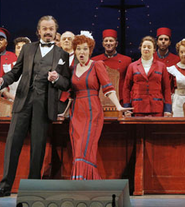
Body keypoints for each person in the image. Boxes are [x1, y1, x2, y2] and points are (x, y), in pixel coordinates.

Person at [0, 15, 71, 198]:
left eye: (51, 28)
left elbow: (67, 83)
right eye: (45, 28)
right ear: (38, 31)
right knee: (12, 145)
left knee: (38, 148)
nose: (48, 32)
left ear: (55, 31)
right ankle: (5, 187)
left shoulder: (62, 55)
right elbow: (15, 71)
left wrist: (57, 78)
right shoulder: (28, 49)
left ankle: (32, 188)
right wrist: (3, 81)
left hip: (44, 105)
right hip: (23, 102)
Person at [69, 32, 131, 180]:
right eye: (78, 49)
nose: (81, 52)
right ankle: (80, 180)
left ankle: (86, 180)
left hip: (92, 111)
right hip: (76, 112)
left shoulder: (97, 65)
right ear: (75, 51)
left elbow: (108, 88)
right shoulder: (72, 69)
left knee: (85, 146)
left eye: (85, 49)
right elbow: (72, 95)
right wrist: (63, 112)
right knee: (77, 146)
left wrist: (118, 106)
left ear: (90, 51)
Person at [123, 36, 172, 117]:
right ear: (140, 48)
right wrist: (127, 108)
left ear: (154, 50)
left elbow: (166, 88)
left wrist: (168, 109)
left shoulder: (162, 66)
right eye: (144, 47)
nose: (146, 49)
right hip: (137, 108)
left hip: (157, 108)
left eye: (149, 47)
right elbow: (126, 88)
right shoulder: (132, 66)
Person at [91, 29, 131, 103]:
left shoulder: (126, 60)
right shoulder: (95, 60)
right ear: (103, 43)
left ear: (116, 43)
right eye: (106, 41)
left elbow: (128, 85)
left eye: (111, 41)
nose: (108, 43)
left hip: (120, 99)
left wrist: (126, 103)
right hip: (101, 100)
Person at [2, 37, 31, 101]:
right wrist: (12, 97)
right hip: (12, 101)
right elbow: (3, 88)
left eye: (23, 47)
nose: (20, 50)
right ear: (15, 51)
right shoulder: (8, 68)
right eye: (18, 48)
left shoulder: (35, 67)